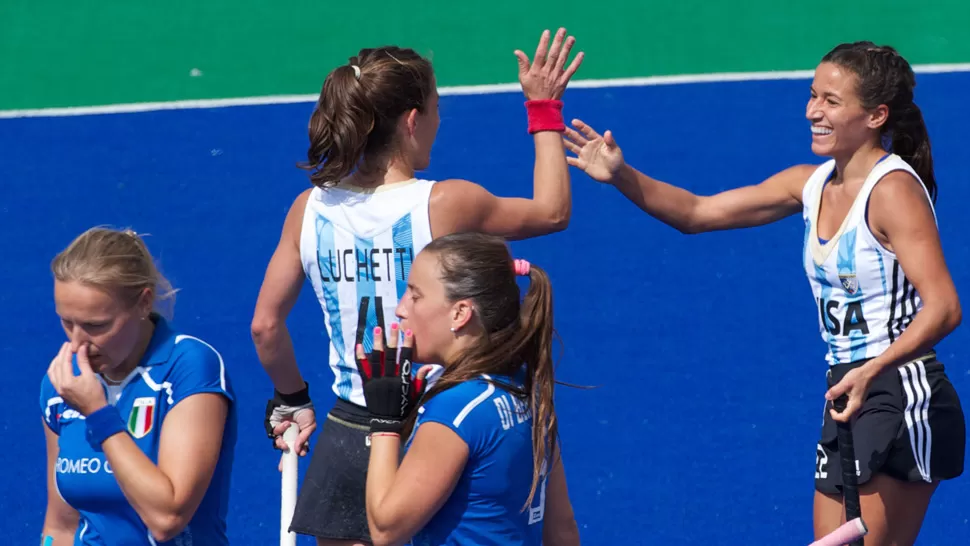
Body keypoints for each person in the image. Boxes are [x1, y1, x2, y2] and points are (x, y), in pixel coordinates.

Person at [562, 41, 965, 545]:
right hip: (848, 389)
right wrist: (620, 174)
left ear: (876, 115)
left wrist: (871, 370)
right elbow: (697, 213)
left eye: (831, 101)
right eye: (813, 95)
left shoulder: (892, 192)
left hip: (901, 393)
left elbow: (945, 306)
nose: (812, 111)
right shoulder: (809, 184)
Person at [251, 27, 583, 545]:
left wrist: (291, 399)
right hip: (433, 428)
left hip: (352, 430)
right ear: (412, 121)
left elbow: (265, 328)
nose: (438, 123)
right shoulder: (445, 203)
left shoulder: (307, 209)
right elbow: (553, 211)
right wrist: (542, 106)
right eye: (434, 110)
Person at [353, 232, 580, 546]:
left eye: (415, 295)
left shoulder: (456, 411)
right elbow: (563, 530)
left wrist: (385, 422)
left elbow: (386, 529)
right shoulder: (526, 390)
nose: (401, 308)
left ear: (460, 313)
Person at [39, 227, 237, 545]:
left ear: (144, 303)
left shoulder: (187, 366)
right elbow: (61, 525)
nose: (77, 343)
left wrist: (97, 413)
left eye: (95, 325)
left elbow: (166, 518)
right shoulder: (62, 383)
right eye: (66, 322)